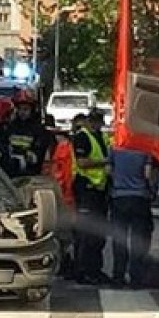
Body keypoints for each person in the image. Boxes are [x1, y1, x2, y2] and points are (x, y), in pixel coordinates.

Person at [71, 108, 111, 285]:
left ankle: (95, 270)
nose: (96, 124)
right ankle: (83, 271)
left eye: (99, 121)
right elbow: (82, 162)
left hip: (99, 190)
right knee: (87, 234)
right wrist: (106, 161)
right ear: (88, 121)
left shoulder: (102, 137)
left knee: (98, 234)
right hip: (86, 189)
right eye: (93, 120)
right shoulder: (82, 136)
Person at [108, 145, 156, 288]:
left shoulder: (114, 148)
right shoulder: (145, 149)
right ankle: (136, 278)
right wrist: (151, 190)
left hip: (119, 197)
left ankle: (118, 277)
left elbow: (108, 171)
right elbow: (148, 174)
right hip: (140, 198)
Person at [42, 114, 77, 277]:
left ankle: (64, 261)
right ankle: (64, 261)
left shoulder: (61, 149)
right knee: (64, 233)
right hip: (64, 196)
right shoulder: (63, 149)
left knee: (63, 233)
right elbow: (60, 175)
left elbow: (59, 174)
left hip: (62, 195)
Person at [7, 88, 51, 177]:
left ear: (32, 110)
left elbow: (38, 155)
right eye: (20, 109)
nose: (22, 112)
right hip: (11, 174)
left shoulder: (39, 130)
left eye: (26, 109)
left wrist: (25, 155)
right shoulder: (11, 127)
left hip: (31, 175)